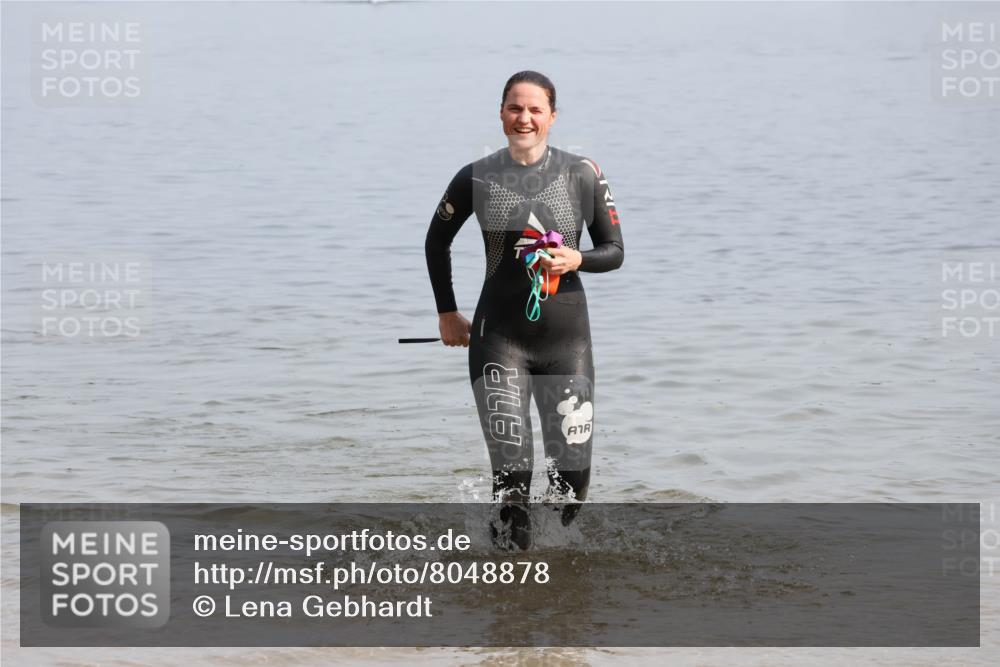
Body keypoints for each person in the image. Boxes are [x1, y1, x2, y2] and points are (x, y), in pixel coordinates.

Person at [425, 71, 624, 548]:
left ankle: (553, 588)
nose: (525, 118)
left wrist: (578, 257)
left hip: (565, 343)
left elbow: (614, 250)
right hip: (499, 341)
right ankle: (512, 594)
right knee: (513, 481)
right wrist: (447, 313)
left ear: (552, 117)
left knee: (571, 488)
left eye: (535, 109)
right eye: (515, 108)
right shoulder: (475, 176)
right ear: (500, 114)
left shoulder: (583, 173)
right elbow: (436, 241)